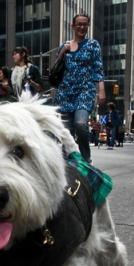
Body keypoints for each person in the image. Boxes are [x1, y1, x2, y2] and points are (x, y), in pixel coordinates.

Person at [54, 13, 106, 163]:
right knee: (67, 130)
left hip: (85, 90)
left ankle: (85, 158)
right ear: (73, 26)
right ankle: (67, 162)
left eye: (85, 24)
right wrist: (63, 51)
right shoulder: (65, 45)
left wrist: (101, 90)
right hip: (66, 92)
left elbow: (98, 69)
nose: (81, 27)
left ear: (88, 26)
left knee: (81, 124)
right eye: (79, 24)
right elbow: (57, 67)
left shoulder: (93, 45)